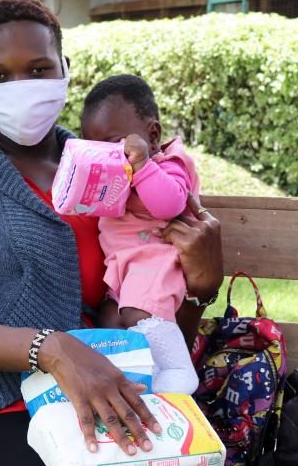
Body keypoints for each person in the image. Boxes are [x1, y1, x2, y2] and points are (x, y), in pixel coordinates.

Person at [0, 0, 223, 466]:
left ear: (64, 68)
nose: (19, 85)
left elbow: (150, 314)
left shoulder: (120, 176)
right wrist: (55, 350)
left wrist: (202, 286)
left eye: (39, 68)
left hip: (123, 397)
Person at [80, 74, 200, 395]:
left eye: (116, 145)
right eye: (97, 148)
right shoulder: (114, 174)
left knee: (139, 314)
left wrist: (144, 166)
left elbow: (171, 203)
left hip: (154, 261)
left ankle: (177, 371)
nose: (107, 156)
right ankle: (143, 380)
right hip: (123, 268)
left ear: (153, 135)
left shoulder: (168, 164)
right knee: (110, 319)